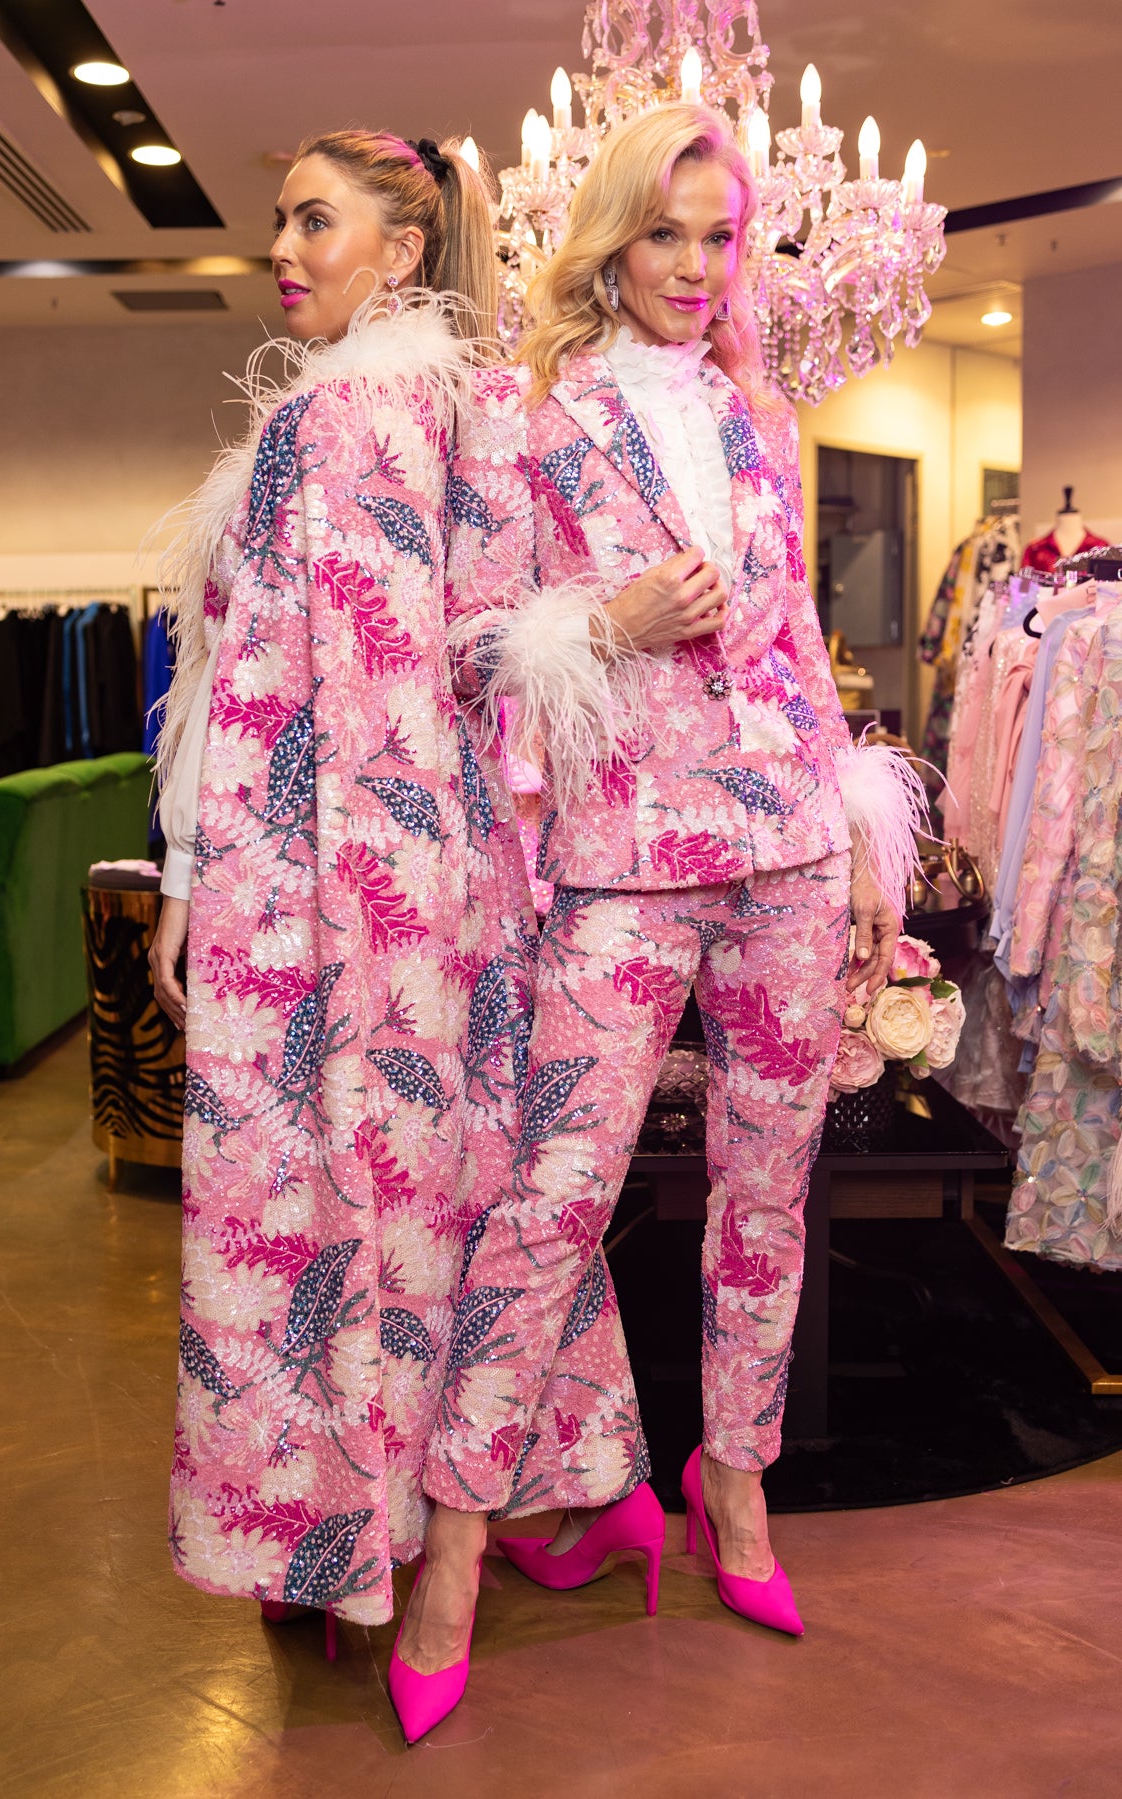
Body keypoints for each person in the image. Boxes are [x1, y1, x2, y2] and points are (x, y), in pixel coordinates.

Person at [421, 103, 925, 1663]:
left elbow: (789, 653)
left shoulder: (762, 419)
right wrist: (610, 625)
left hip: (780, 844)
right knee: (552, 1200)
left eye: (723, 236)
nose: (699, 267)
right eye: (668, 233)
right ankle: (453, 1540)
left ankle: (738, 1484)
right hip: (626, 862)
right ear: (613, 238)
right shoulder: (529, 416)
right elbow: (476, 643)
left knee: (767, 1192)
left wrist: (855, 829)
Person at [148, 130, 541, 1744]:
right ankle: (378, 1545)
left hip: (319, 895)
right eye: (279, 226)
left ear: (403, 243)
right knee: (412, 1206)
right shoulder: (450, 414)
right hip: (425, 886)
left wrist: (204, 880)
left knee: (321, 1207)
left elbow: (284, 706)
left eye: (317, 221)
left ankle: (346, 1550)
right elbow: (469, 671)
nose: (283, 253)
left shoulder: (340, 416)